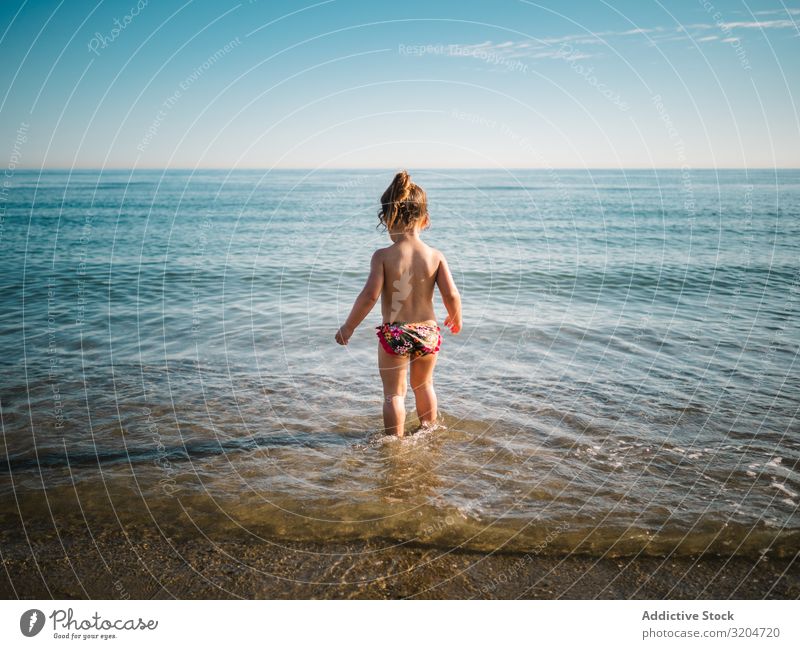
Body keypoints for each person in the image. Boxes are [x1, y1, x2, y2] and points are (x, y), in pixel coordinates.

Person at [335, 170, 462, 437]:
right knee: (424, 386)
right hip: (428, 333)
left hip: (395, 333)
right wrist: (455, 316)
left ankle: (395, 441)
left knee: (394, 394)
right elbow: (451, 294)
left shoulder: (383, 256)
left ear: (388, 218)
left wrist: (349, 327)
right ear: (425, 220)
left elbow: (369, 296)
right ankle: (429, 430)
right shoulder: (435, 256)